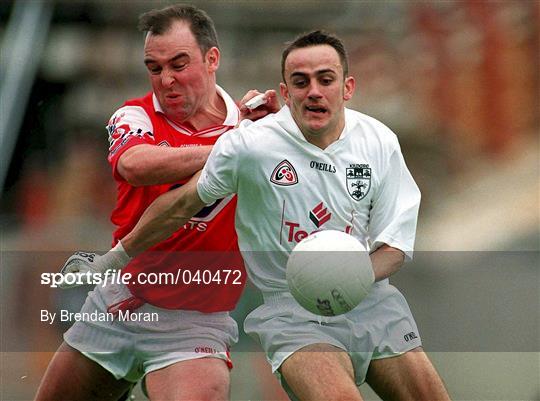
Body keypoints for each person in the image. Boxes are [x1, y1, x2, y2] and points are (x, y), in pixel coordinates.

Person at [58, 30, 452, 401]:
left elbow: (395, 245)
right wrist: (114, 259)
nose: (313, 91)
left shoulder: (379, 141)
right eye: (300, 82)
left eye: (325, 79)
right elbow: (181, 204)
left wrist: (351, 276)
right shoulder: (251, 145)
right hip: (293, 314)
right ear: (284, 91)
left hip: (373, 302)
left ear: (348, 87)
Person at [35, 4, 278, 401]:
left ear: (212, 58)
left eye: (179, 64)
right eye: (154, 67)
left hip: (195, 322)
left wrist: (277, 134)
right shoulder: (136, 115)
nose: (166, 80)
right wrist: (233, 146)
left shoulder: (255, 130)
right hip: (118, 303)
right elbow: (135, 165)